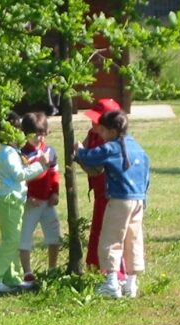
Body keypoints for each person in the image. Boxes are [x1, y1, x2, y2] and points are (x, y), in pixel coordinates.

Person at [74, 110, 150, 298]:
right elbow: (147, 175)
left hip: (119, 200)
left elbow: (91, 157)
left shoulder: (112, 147)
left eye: (103, 131)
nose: (101, 135)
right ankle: (131, 284)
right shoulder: (137, 147)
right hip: (138, 200)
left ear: (113, 131)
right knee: (133, 239)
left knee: (111, 239)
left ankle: (112, 283)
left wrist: (78, 150)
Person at [0, 111, 51, 293]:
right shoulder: (7, 152)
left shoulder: (12, 151)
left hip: (14, 200)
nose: (21, 132)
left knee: (14, 239)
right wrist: (41, 165)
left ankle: (11, 277)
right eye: (17, 128)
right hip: (9, 200)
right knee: (12, 241)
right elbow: (19, 174)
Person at [78, 98, 127, 281]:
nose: (93, 123)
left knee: (112, 232)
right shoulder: (93, 134)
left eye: (97, 120)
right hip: (100, 193)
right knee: (98, 230)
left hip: (112, 193)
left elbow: (96, 167)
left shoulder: (111, 142)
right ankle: (95, 267)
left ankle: (117, 274)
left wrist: (80, 156)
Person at [18, 111, 61, 285]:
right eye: (34, 134)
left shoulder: (50, 151)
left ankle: (52, 268)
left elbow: (54, 173)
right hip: (32, 203)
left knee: (54, 236)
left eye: (42, 134)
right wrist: (28, 196)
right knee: (25, 236)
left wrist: (55, 192)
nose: (39, 138)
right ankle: (27, 271)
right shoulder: (23, 154)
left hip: (48, 202)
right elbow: (21, 178)